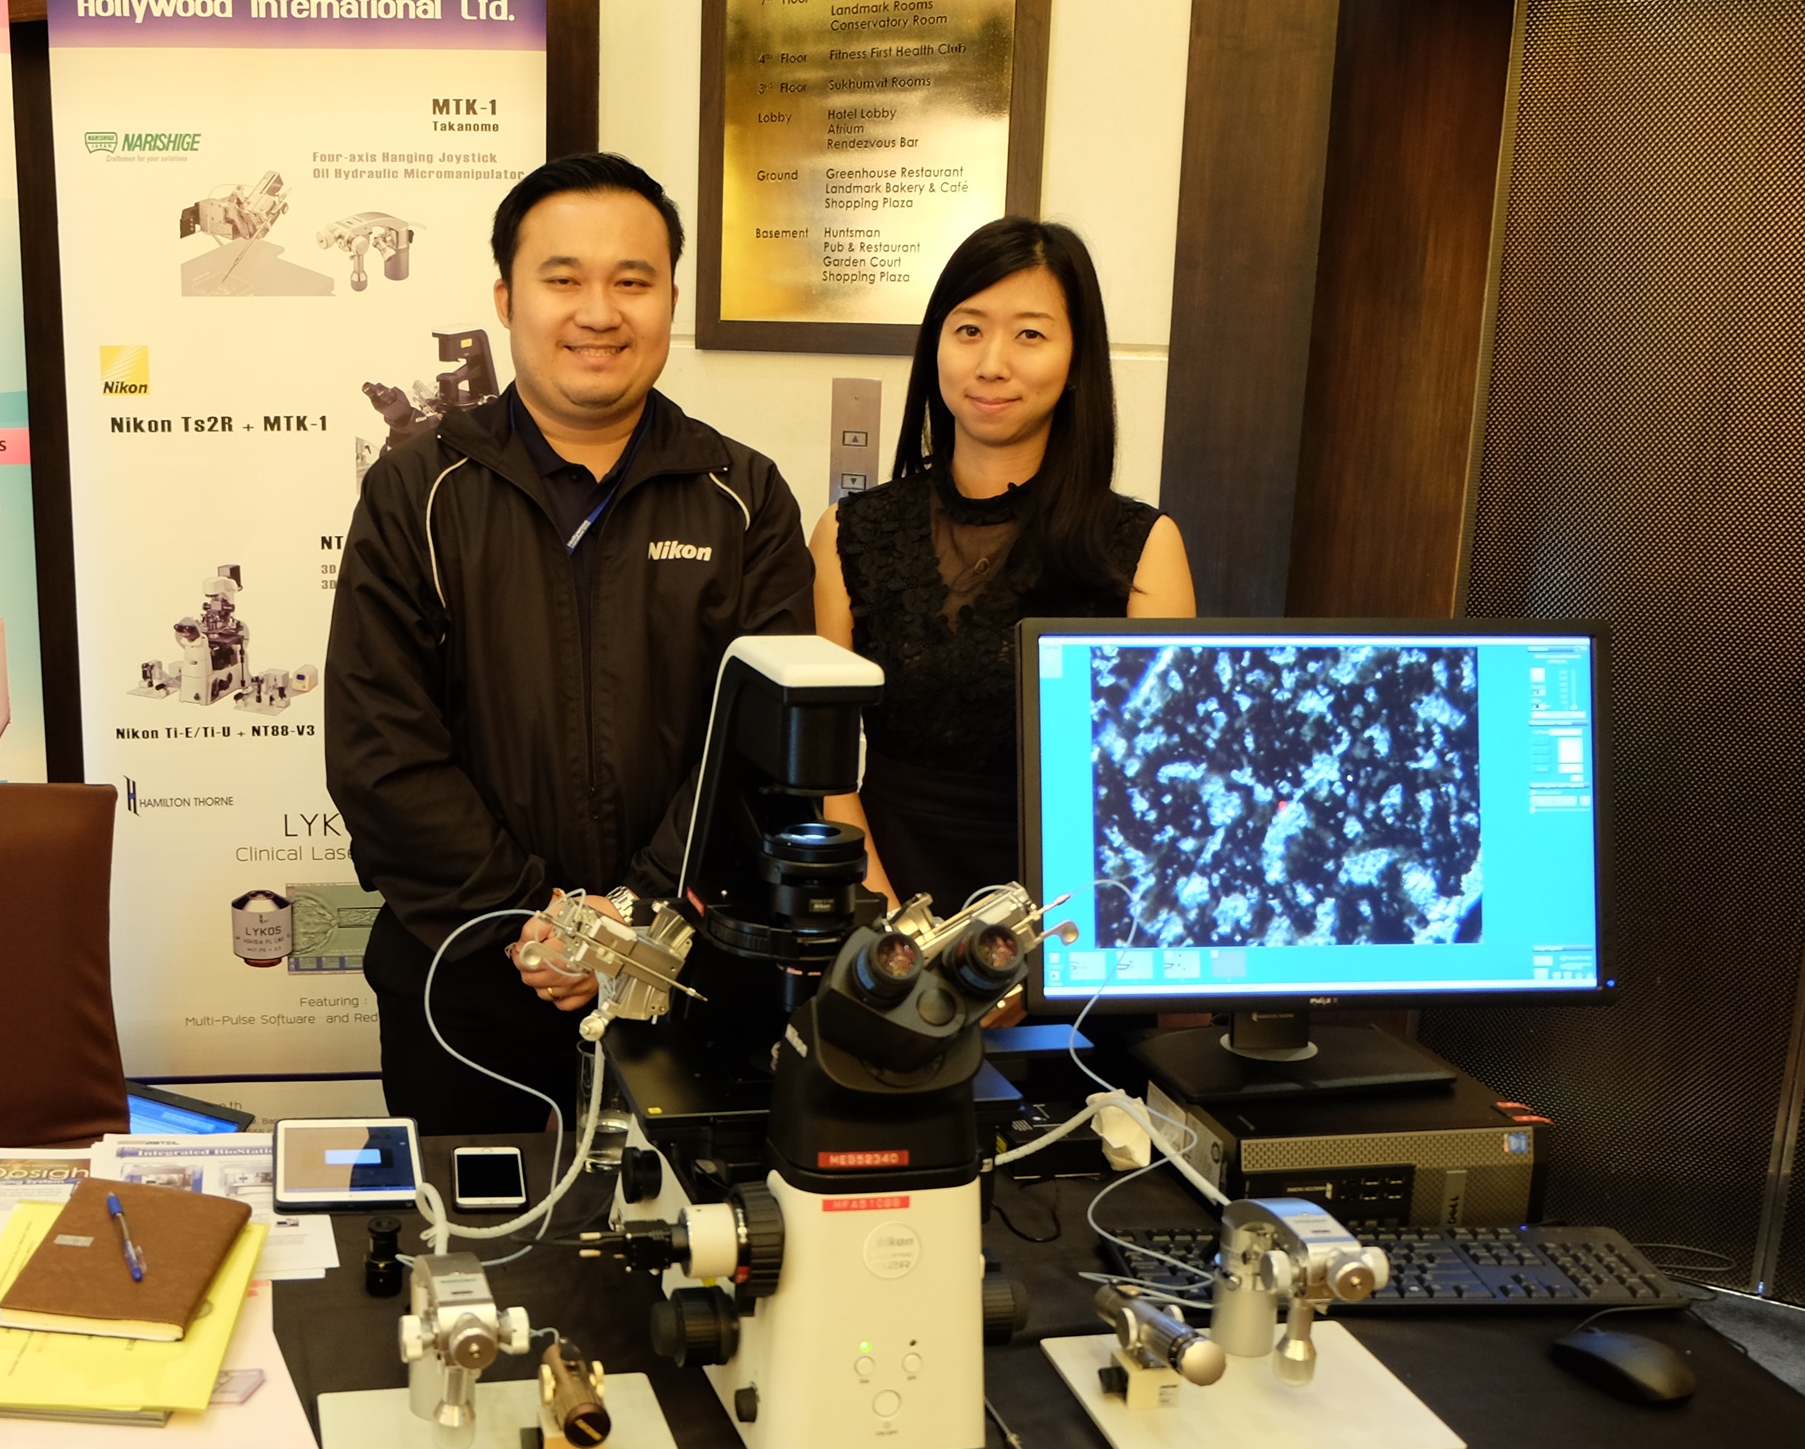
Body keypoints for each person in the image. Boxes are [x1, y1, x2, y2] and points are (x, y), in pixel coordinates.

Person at [327, 154, 814, 1135]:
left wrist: (630, 916)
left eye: (633, 281)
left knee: (693, 1227)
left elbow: (765, 752)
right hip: (467, 973)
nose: (599, 312)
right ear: (507, 299)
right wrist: (530, 920)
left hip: (689, 972)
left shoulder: (743, 497)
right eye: (564, 279)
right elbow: (380, 747)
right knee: (474, 1221)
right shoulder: (416, 491)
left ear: (670, 299)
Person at [813, 217, 1195, 924]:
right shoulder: (847, 533)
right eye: (968, 330)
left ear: (1077, 360)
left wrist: (1040, 951)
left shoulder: (1143, 547)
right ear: (935, 345)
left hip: (1069, 926)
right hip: (880, 912)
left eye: (1030, 334)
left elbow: (1152, 795)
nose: (992, 363)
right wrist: (894, 929)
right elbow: (821, 770)